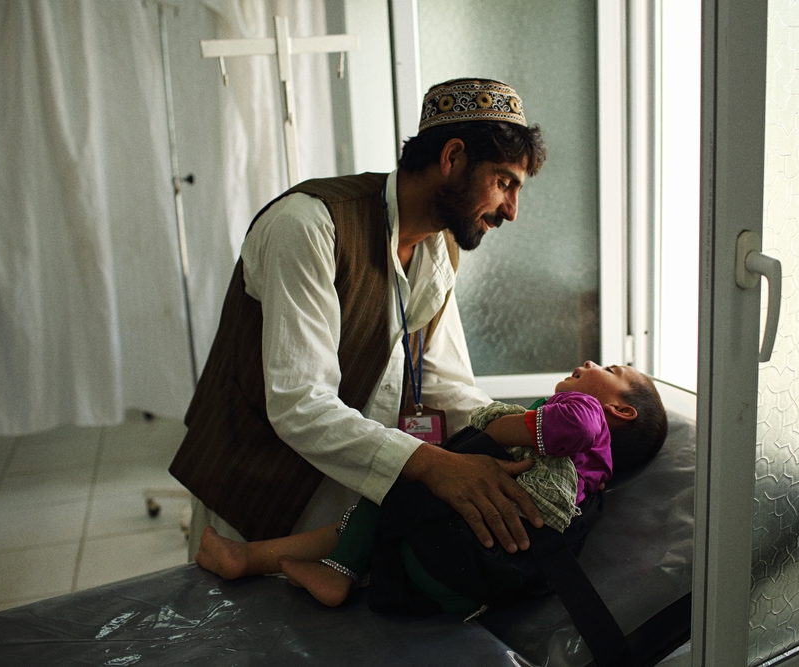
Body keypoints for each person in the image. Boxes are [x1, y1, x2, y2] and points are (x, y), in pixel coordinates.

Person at [169, 79, 549, 560]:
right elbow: (299, 402)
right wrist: (431, 465)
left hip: (346, 506)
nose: (511, 211)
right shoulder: (309, 226)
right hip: (257, 499)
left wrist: (532, 432)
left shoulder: (440, 248)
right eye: (504, 182)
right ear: (452, 158)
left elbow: (441, 384)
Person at [194, 362, 668, 614]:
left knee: (391, 487)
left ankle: (338, 573)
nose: (589, 362)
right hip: (464, 588)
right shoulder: (595, 479)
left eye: (612, 369)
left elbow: (557, 427)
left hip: (454, 557)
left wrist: (499, 430)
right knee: (364, 517)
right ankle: (250, 557)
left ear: (620, 411)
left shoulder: (586, 417)